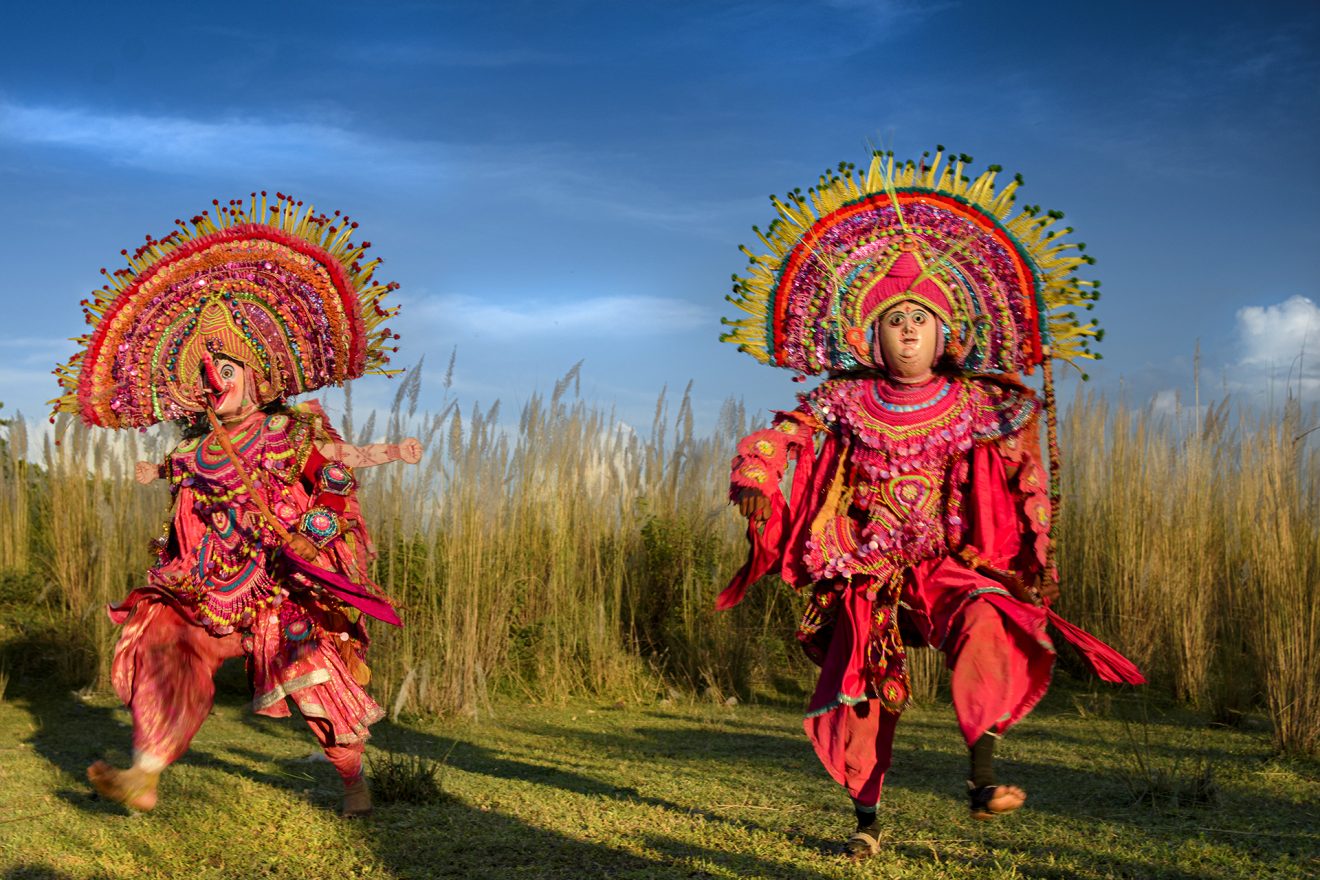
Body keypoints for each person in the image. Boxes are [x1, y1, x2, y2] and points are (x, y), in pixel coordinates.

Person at [717, 151, 1144, 859]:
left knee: (989, 616)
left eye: (921, 319)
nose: (909, 330)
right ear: (867, 334)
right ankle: (865, 821)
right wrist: (758, 475)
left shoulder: (974, 403)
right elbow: (785, 436)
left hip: (945, 563)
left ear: (946, 335)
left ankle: (982, 776)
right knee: (862, 677)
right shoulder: (844, 398)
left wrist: (1029, 446)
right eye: (895, 320)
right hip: (866, 564)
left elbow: (1017, 447)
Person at [52, 194, 416, 817]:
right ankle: (145, 770)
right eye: (204, 371)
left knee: (316, 684)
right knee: (163, 639)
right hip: (205, 585)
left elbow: (337, 469)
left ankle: (355, 784)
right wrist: (153, 470)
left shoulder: (293, 431)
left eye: (226, 366)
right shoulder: (196, 446)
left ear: (257, 374)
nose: (214, 381)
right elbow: (176, 472)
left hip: (281, 585)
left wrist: (384, 456)